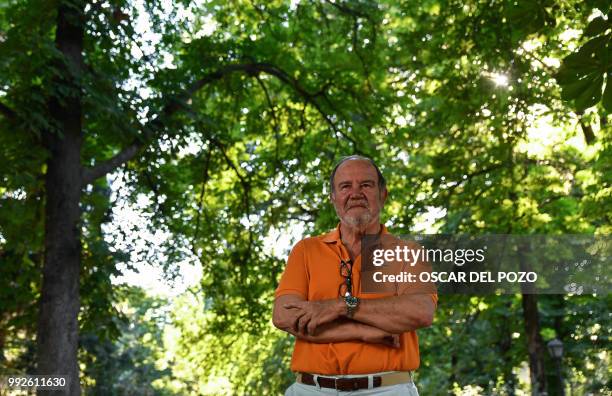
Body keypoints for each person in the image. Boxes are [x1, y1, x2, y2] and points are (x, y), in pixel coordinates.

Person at [273, 155, 437, 395]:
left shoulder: (407, 253)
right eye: (345, 186)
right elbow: (284, 316)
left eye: (366, 185)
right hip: (311, 389)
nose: (355, 193)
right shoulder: (306, 250)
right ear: (334, 198)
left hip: (387, 389)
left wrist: (340, 306)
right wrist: (364, 332)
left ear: (383, 195)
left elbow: (420, 311)